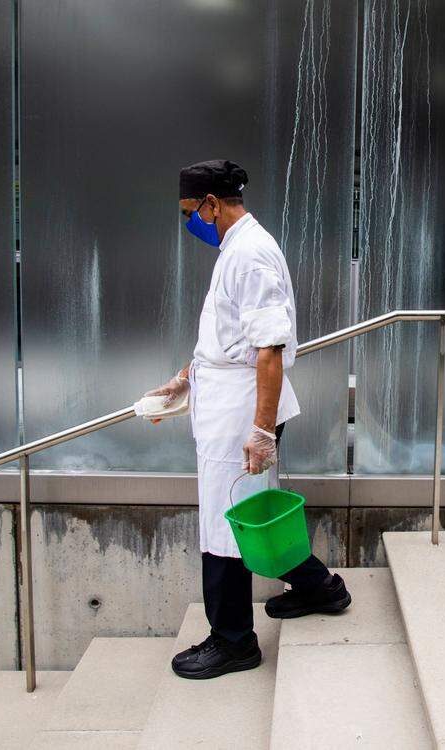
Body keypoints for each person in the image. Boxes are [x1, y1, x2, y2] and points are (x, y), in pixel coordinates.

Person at [146, 159, 351, 680]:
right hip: (229, 399)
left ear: (213, 203)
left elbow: (268, 349)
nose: (189, 222)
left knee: (224, 524)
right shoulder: (236, 248)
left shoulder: (250, 254)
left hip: (241, 412)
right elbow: (228, 337)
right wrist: (185, 377)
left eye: (190, 212)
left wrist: (260, 431)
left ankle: (233, 641)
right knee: (251, 512)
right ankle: (319, 587)